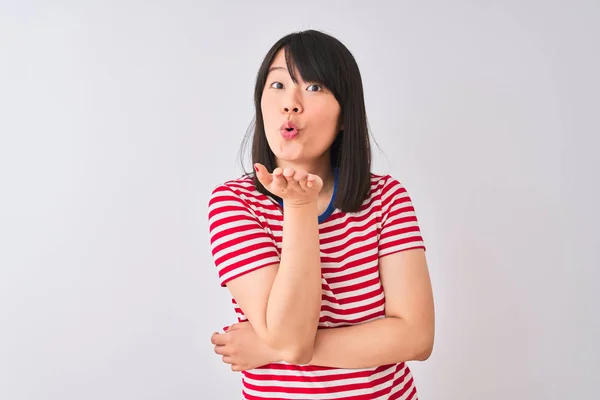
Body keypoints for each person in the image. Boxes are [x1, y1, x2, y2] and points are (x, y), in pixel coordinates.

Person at [208, 29, 435, 400]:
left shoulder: (386, 198)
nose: (291, 103)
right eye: (278, 84)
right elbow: (292, 339)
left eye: (314, 87)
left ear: (346, 114)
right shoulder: (235, 203)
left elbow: (416, 338)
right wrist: (298, 206)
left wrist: (269, 349)